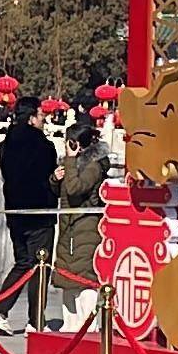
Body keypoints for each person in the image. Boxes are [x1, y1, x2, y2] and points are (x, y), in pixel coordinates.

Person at [0, 100, 57, 324]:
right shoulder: (44, 147)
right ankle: (35, 321)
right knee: (41, 267)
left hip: (15, 213)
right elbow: (48, 180)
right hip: (40, 215)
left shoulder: (5, 146)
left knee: (23, 262)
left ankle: (0, 309)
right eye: (41, 115)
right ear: (32, 118)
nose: (44, 120)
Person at [53, 117, 110, 331]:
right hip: (69, 227)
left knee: (85, 279)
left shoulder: (93, 166)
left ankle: (87, 326)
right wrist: (55, 178)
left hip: (85, 229)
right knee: (68, 279)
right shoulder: (72, 165)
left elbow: (76, 188)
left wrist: (69, 162)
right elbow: (64, 192)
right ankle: (70, 326)